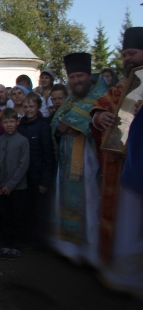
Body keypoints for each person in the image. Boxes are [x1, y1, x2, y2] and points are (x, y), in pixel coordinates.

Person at [90, 27, 143, 293]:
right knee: (128, 224)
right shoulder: (123, 87)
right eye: (124, 55)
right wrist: (100, 118)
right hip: (123, 168)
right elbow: (98, 108)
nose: (127, 59)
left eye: (132, 53)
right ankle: (125, 278)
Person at [49, 52, 108, 267]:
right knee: (66, 201)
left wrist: (74, 125)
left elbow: (100, 123)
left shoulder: (102, 95)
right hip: (67, 160)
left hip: (89, 161)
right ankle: (70, 248)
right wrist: (61, 127)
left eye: (80, 76)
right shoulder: (71, 98)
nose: (76, 80)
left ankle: (91, 251)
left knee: (90, 202)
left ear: (88, 75)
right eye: (72, 77)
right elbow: (56, 122)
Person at [0, 108, 30, 260]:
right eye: (5, 122)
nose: (9, 125)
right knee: (5, 217)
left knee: (17, 217)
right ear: (1, 123)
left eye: (12, 122)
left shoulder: (23, 141)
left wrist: (11, 185)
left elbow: (23, 165)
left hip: (18, 188)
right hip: (1, 188)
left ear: (17, 122)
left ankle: (16, 246)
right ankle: (6, 245)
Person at [18, 92, 55, 247]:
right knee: (25, 209)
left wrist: (45, 181)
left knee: (39, 211)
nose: (28, 109)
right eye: (25, 106)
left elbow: (48, 154)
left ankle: (40, 242)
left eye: (31, 106)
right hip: (23, 176)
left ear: (38, 107)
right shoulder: (20, 127)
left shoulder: (43, 127)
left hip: (37, 175)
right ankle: (26, 238)